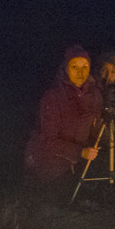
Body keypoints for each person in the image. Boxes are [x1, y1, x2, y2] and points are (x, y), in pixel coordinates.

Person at [23, 44, 103, 183]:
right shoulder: (53, 96)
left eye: (84, 67)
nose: (80, 72)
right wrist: (81, 152)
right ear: (66, 69)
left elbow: (95, 128)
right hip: (51, 167)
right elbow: (49, 141)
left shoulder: (94, 95)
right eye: (74, 67)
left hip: (78, 166)